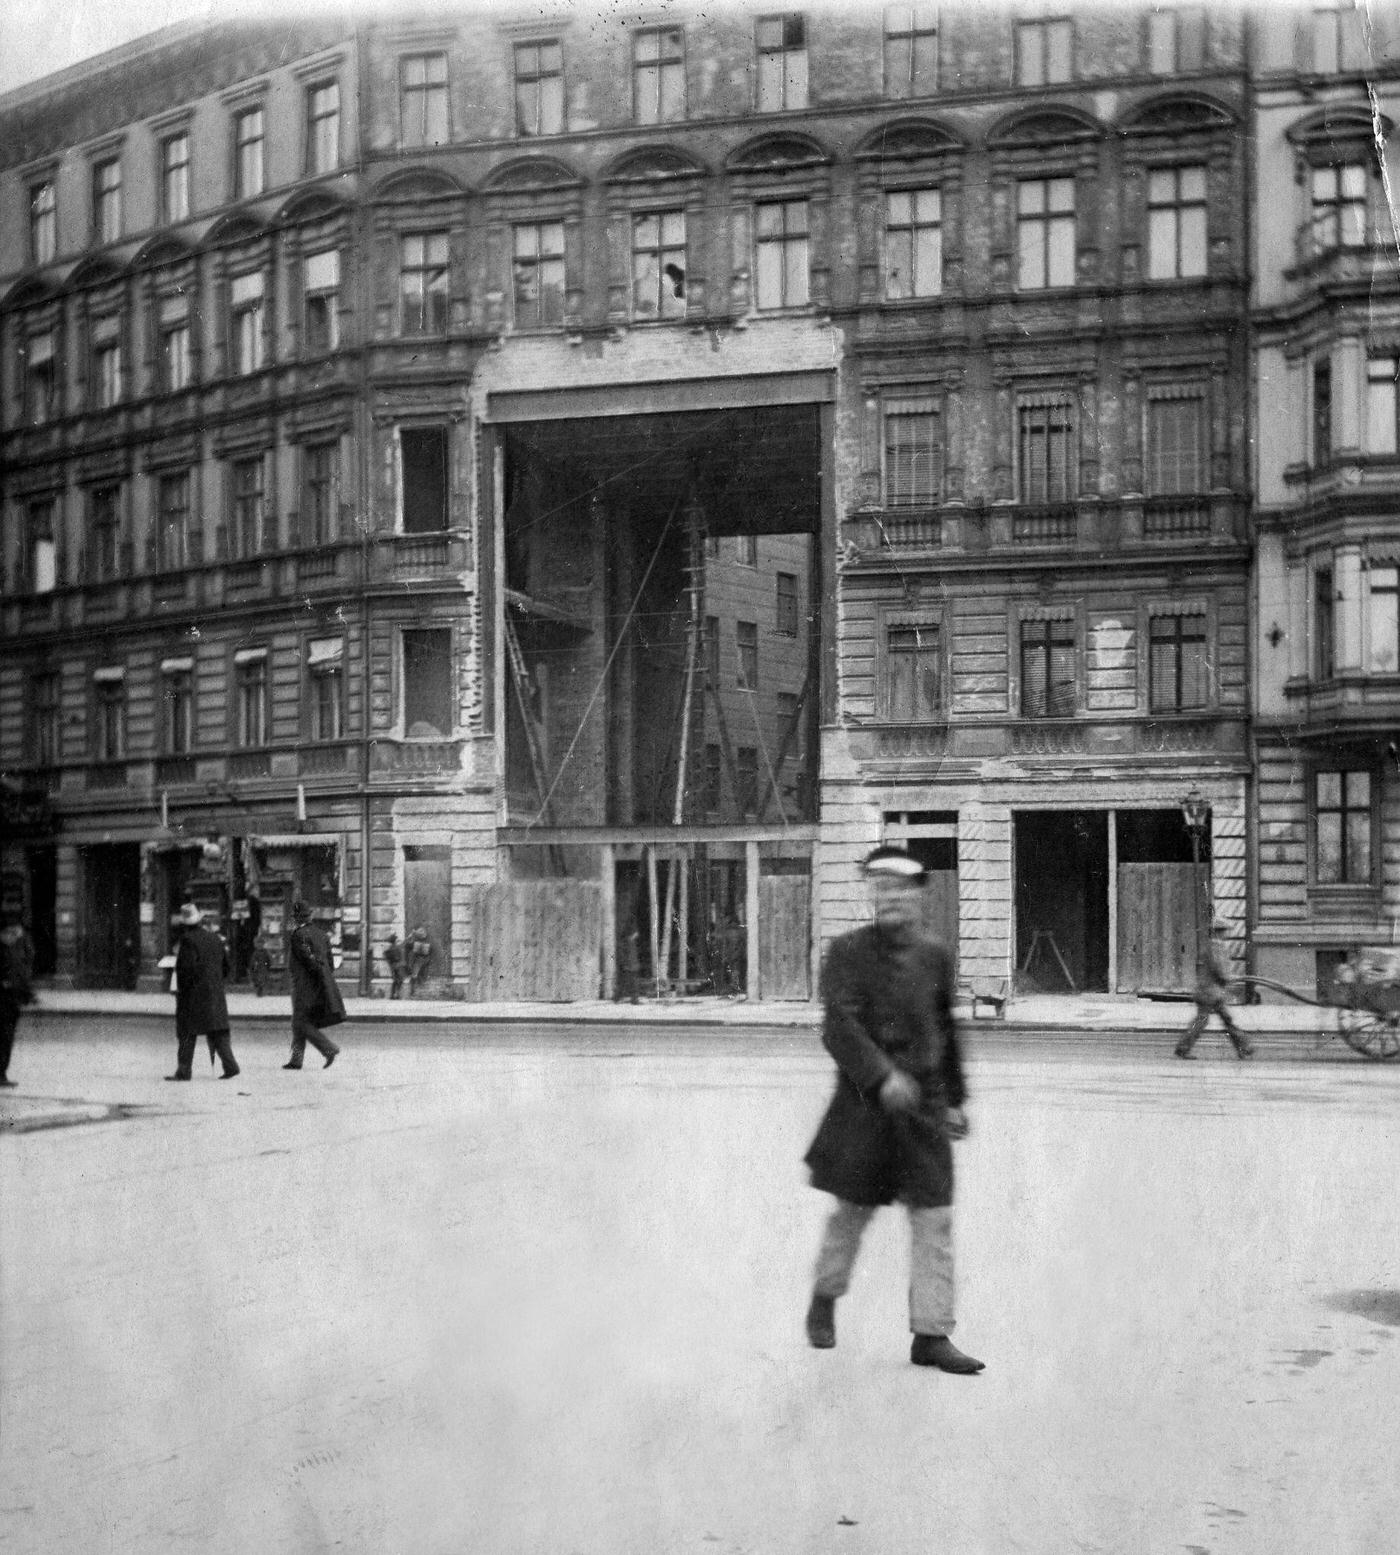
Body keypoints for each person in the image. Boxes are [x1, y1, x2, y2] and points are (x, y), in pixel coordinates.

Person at [803, 845, 983, 1374]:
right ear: (871, 896)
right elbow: (839, 1027)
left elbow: (945, 1032)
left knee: (935, 1217)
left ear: (919, 897)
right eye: (880, 889)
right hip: (865, 1106)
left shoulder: (935, 955)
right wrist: (882, 1077)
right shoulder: (846, 952)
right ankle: (825, 1296)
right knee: (852, 1212)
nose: (890, 899)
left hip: (924, 1107)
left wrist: (954, 1098)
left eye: (900, 890)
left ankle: (931, 1335)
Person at [167, 902, 240, 1081]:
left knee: (186, 1032)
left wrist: (181, 990)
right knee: (218, 1031)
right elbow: (226, 968)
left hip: (193, 994)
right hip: (215, 992)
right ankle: (231, 1066)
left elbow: (186, 970)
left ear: (185, 924)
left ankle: (184, 1071)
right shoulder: (215, 938)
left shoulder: (187, 941)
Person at [1175, 916, 1253, 1060]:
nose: (1227, 934)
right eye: (1224, 931)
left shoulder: (1211, 946)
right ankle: (1244, 1047)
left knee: (1222, 1020)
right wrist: (1230, 978)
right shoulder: (1217, 948)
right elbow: (1220, 970)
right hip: (1210, 993)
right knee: (1207, 1021)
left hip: (1209, 992)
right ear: (1219, 932)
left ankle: (1244, 1047)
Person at [284, 900, 343, 1071]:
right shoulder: (322, 934)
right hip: (319, 985)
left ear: (296, 918)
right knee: (299, 1022)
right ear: (309, 916)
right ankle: (296, 1060)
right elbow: (331, 964)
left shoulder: (298, 935)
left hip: (303, 986)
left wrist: (310, 973)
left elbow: (307, 958)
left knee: (300, 1023)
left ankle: (328, 1049)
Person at [0, 907, 36, 1088]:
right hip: (3, 998)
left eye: (17, 932)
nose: (14, 936)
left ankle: (2, 1074)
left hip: (12, 1000)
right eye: (11, 932)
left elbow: (23, 971)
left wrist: (27, 994)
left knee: (7, 1038)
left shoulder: (15, 947)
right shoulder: (5, 949)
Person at [406, 926, 432, 995]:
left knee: (420, 974)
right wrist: (410, 937)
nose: (422, 936)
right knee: (414, 975)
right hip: (417, 960)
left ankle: (417, 987)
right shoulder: (414, 942)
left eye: (423, 935)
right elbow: (408, 945)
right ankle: (412, 990)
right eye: (420, 935)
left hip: (424, 960)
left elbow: (429, 951)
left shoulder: (427, 942)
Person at [383, 933, 407, 999]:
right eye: (396, 939)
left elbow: (386, 955)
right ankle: (396, 994)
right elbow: (397, 956)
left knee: (396, 980)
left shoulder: (391, 948)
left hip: (394, 965)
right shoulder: (394, 948)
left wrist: (390, 963)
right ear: (394, 940)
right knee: (399, 980)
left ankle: (394, 994)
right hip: (397, 965)